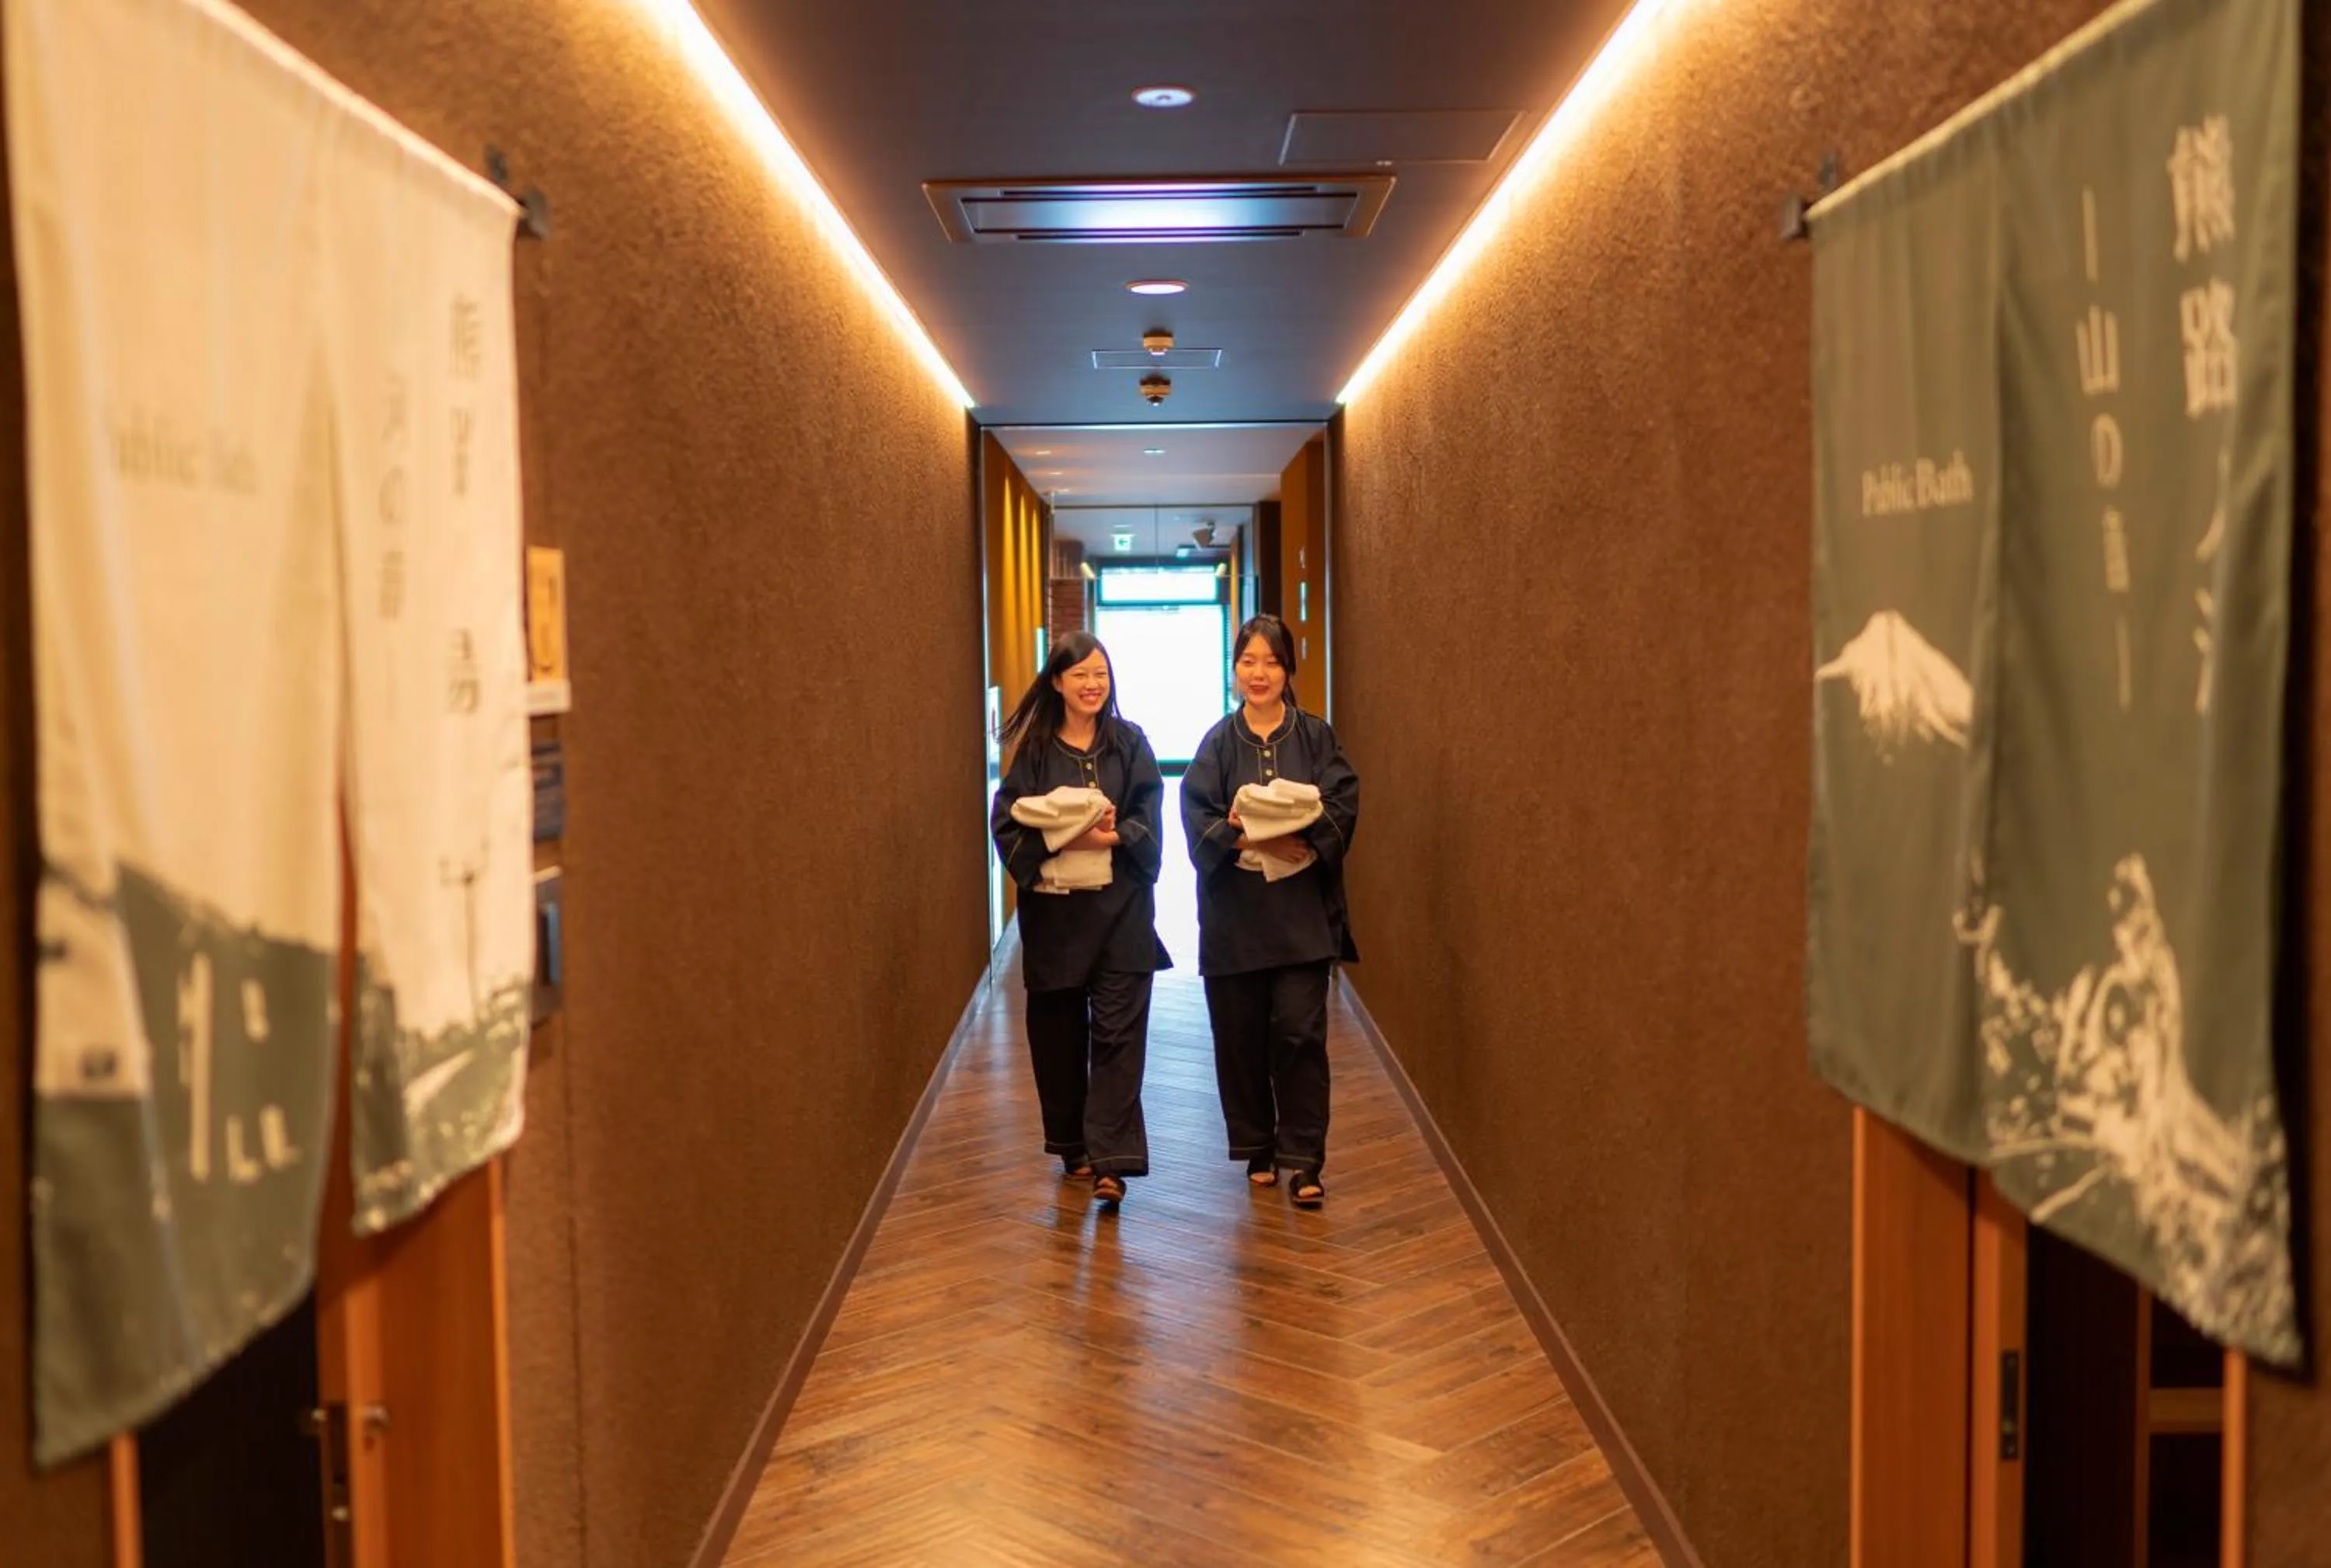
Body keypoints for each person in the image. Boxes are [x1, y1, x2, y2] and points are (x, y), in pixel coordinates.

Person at [1179, 614, 1358, 1208]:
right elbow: (1199, 817)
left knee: (1300, 1032)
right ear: (1235, 669)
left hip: (1301, 916)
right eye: (1249, 661)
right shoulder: (1217, 743)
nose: (1259, 673)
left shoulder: (1315, 736)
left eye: (1272, 662)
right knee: (1241, 1036)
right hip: (1234, 920)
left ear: (1288, 670)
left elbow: (1342, 803)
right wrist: (1256, 840)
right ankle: (1258, 1145)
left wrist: (1297, 834)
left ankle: (1305, 1158)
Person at [990, 632, 1170, 1208]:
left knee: (1119, 1037)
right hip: (1057, 924)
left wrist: (1110, 835)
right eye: (1081, 675)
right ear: (1058, 683)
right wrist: (1063, 837)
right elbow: (1008, 824)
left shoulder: (1131, 744)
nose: (1094, 684)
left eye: (1102, 673)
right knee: (1058, 1039)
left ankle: (1113, 1164)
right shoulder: (1036, 752)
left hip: (1122, 917)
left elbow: (1148, 817)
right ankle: (1074, 1145)